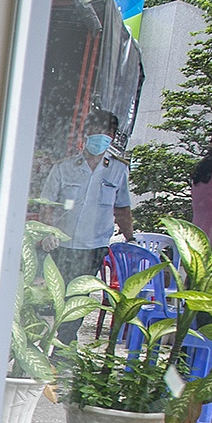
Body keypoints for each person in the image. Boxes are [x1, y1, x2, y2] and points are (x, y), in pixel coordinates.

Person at [42, 111, 134, 340]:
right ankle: (53, 341)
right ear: (85, 134)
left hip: (94, 246)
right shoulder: (64, 168)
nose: (99, 138)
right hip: (62, 243)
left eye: (105, 134)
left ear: (112, 137)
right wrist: (47, 232)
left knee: (78, 299)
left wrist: (130, 238)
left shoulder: (118, 169)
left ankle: (64, 346)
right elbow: (47, 205)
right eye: (94, 133)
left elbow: (122, 208)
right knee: (56, 296)